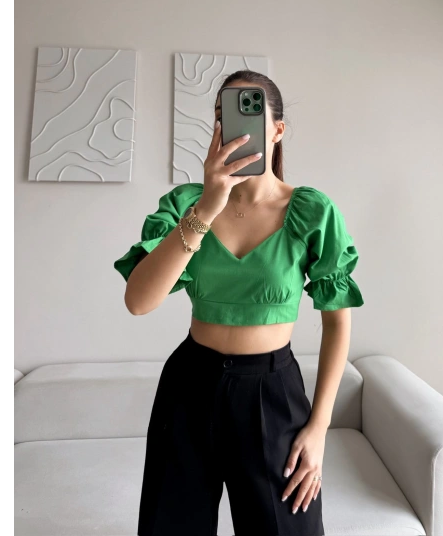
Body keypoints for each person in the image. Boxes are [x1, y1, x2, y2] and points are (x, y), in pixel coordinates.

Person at [113, 70, 364, 536]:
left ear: (278, 130)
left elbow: (337, 323)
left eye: (249, 114)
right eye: (222, 116)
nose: (233, 129)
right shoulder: (187, 204)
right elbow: (139, 301)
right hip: (189, 388)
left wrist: (319, 428)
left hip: (272, 392)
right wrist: (208, 207)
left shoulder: (312, 211)